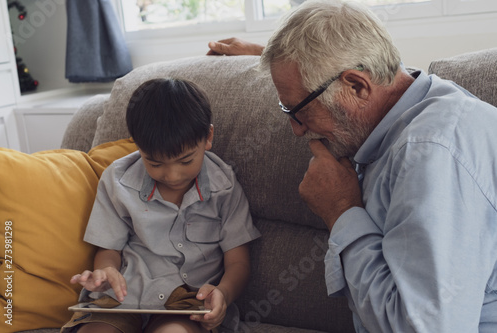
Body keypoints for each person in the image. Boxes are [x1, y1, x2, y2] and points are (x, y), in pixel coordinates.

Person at [207, 0, 497, 332]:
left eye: (297, 111)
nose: (297, 129)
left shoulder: (433, 151)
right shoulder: (405, 109)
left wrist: (342, 210)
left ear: (357, 86)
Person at [62, 78, 261, 333]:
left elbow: (238, 262)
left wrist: (223, 293)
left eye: (185, 161)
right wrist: (106, 272)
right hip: (124, 297)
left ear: (208, 137)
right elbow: (108, 250)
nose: (172, 176)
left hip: (187, 304)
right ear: (138, 145)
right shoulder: (118, 180)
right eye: (155, 164)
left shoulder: (225, 186)